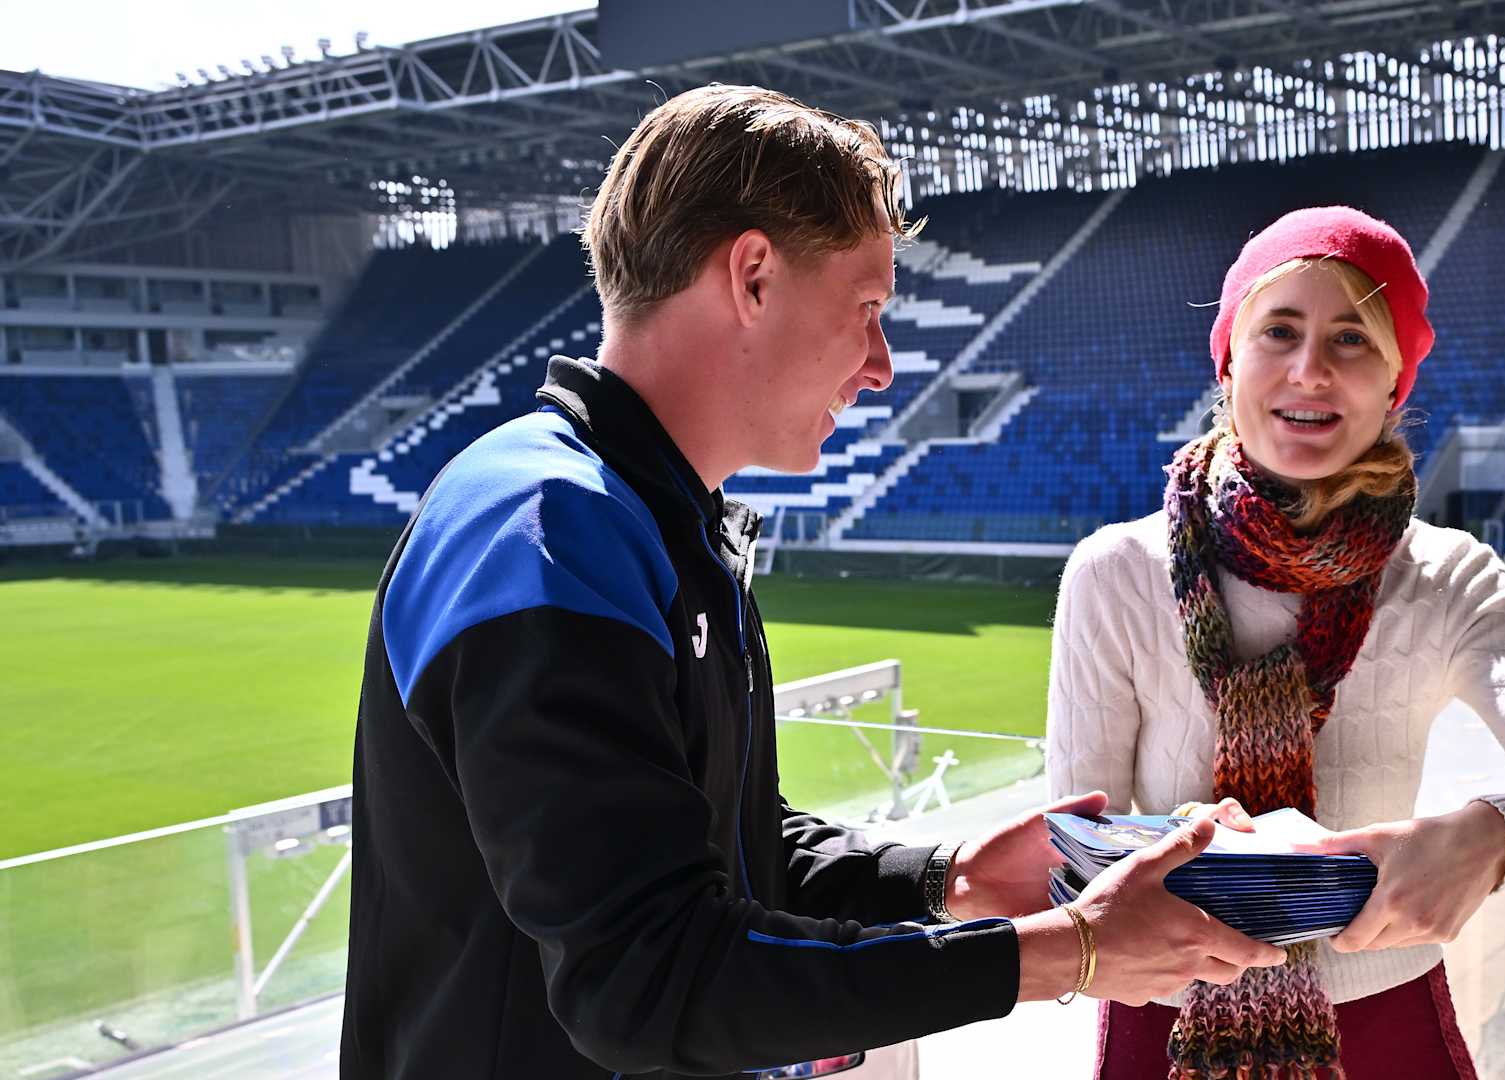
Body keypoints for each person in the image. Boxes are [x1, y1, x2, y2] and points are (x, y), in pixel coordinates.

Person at [338, 84, 1287, 1080]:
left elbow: (723, 854)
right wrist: (1069, 951)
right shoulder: (544, 529)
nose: (882, 365)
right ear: (752, 276)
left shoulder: (653, 520)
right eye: (867, 310)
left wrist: (951, 877)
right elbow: (649, 978)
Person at [1045, 206, 1505, 1079]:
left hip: (1389, 1025)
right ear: (1228, 359)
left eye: (1352, 339)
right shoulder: (1116, 573)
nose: (1310, 370)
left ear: (1397, 381)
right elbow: (1076, 851)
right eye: (1278, 331)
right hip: (1164, 1022)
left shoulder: (1451, 578)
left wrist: (1488, 840)